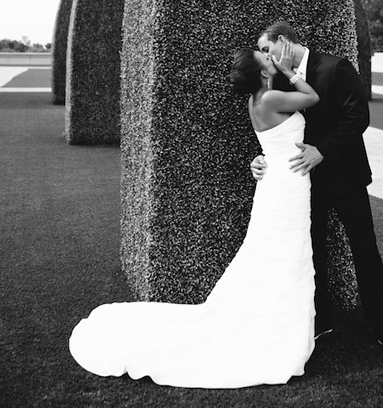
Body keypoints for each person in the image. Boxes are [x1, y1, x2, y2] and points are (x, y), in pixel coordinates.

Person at [69, 42, 320, 387]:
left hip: (280, 181)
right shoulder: (272, 98)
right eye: (266, 58)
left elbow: (271, 144)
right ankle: (278, 333)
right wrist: (292, 72)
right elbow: (312, 97)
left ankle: (277, 326)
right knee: (283, 253)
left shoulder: (257, 100)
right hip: (285, 186)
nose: (271, 57)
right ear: (264, 72)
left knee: (276, 254)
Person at [252, 21, 383, 360]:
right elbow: (272, 128)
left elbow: (358, 117)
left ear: (282, 42)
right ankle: (321, 322)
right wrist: (261, 159)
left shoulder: (335, 67)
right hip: (302, 183)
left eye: (266, 49)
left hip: (347, 177)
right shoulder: (278, 80)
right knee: (313, 253)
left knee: (365, 252)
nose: (265, 57)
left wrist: (321, 150)